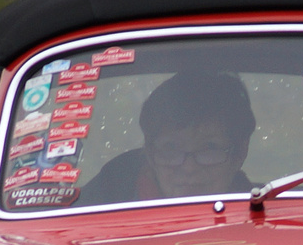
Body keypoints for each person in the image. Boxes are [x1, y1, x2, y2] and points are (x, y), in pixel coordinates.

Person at [79, 70, 256, 205]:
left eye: (209, 148)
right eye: (171, 148)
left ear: (239, 153)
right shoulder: (107, 198)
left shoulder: (267, 214)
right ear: (149, 154)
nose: (189, 167)